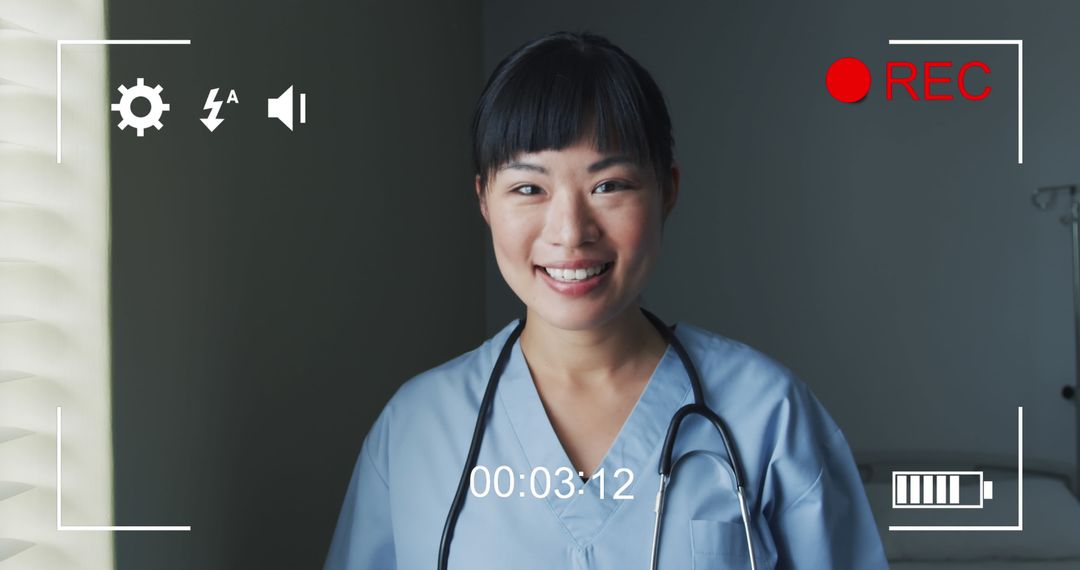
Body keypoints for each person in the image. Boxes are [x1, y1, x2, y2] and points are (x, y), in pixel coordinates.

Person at [324, 30, 889, 569]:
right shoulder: (416, 428)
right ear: (484, 201)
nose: (570, 232)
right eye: (529, 188)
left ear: (667, 191)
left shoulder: (767, 415)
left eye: (608, 185)